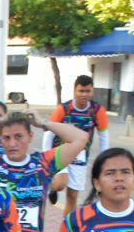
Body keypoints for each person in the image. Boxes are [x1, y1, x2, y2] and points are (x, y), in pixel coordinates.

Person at [43, 75, 109, 215]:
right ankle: (53, 188)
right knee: (61, 184)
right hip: (61, 151)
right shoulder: (63, 109)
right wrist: (45, 157)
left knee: (72, 196)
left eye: (87, 91)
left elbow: (103, 136)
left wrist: (106, 160)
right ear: (74, 91)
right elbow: (48, 133)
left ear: (92, 91)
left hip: (80, 156)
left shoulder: (97, 111)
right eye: (81, 91)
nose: (84, 95)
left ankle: (67, 229)